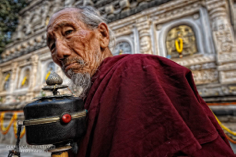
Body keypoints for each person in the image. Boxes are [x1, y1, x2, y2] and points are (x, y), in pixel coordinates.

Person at [46, 6, 235, 157]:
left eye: (68, 32)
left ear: (103, 35)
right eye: (52, 44)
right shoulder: (85, 97)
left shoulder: (139, 69)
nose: (60, 52)